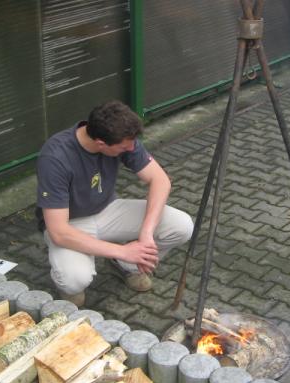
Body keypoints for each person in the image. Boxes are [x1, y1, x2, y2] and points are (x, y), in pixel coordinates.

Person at [35, 101, 193, 306]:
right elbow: (58, 232)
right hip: (70, 225)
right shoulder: (55, 157)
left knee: (181, 226)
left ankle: (126, 265)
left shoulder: (122, 136)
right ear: (101, 143)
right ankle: (72, 284)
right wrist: (123, 250)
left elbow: (160, 180)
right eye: (124, 147)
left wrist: (146, 234)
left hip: (108, 209)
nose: (131, 148)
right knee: (74, 280)